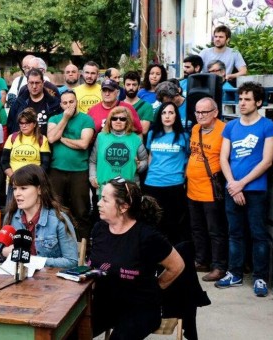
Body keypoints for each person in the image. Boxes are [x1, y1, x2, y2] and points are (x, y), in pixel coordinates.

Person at [89, 177, 185, 339]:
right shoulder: (99, 229)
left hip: (139, 308)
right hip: (104, 304)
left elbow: (177, 265)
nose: (99, 203)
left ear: (124, 207)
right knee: (68, 332)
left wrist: (155, 288)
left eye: (105, 200)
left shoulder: (147, 236)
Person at [216, 82, 273, 298]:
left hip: (255, 190)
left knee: (258, 234)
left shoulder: (267, 126)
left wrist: (241, 184)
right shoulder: (230, 127)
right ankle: (234, 273)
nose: (242, 103)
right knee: (235, 233)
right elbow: (223, 158)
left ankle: (260, 277)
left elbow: (267, 161)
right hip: (233, 189)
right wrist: (233, 185)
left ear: (258, 102)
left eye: (247, 99)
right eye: (240, 98)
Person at [2, 164, 79, 268]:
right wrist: (3, 252)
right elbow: (2, 256)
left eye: (23, 188)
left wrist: (32, 260)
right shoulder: (10, 217)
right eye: (15, 189)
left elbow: (71, 262)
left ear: (39, 189)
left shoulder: (58, 219)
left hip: (50, 282)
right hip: (17, 279)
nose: (17, 194)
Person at [186, 97, 228, 282]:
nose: (200, 116)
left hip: (211, 190)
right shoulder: (195, 129)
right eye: (197, 112)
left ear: (215, 112)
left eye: (204, 112)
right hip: (192, 189)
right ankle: (201, 260)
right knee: (197, 228)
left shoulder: (224, 130)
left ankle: (219, 266)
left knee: (215, 230)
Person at [47, 90, 95, 241]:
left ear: (77, 102)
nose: (69, 106)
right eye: (65, 103)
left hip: (79, 171)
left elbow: (83, 144)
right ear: (60, 104)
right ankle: (58, 244)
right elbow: (51, 138)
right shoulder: (55, 118)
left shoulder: (86, 120)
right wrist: (65, 119)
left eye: (71, 102)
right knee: (56, 209)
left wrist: (62, 139)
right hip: (57, 170)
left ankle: (83, 248)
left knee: (81, 211)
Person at [142, 102, 191, 245]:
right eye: (164, 113)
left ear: (176, 115)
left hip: (174, 184)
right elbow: (151, 156)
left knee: (172, 222)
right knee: (154, 222)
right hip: (152, 183)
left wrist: (184, 179)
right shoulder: (152, 134)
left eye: (171, 112)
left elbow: (188, 159)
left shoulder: (183, 136)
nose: (167, 116)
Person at [89, 106, 148, 192]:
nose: (118, 121)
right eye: (114, 118)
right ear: (110, 120)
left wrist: (140, 166)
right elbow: (93, 161)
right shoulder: (101, 137)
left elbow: (145, 161)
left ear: (127, 121)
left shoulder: (135, 139)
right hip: (104, 187)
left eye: (122, 119)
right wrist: (93, 177)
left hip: (128, 188)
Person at [1, 108, 51, 201]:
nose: (24, 126)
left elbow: (45, 164)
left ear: (34, 124)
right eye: (21, 124)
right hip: (14, 182)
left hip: (32, 183)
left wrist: (32, 179)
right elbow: (4, 161)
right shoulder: (12, 137)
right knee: (10, 212)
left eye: (27, 123)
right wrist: (14, 178)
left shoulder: (41, 139)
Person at [6, 68, 61, 135]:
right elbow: (10, 126)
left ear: (43, 83)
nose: (34, 86)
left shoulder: (54, 103)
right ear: (27, 83)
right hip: (23, 143)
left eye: (37, 83)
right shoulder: (18, 103)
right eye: (31, 83)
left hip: (46, 143)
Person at [122, 71, 154, 137]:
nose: (131, 88)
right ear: (124, 86)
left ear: (139, 87)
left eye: (134, 84)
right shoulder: (118, 105)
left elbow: (144, 130)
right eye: (128, 84)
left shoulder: (147, 106)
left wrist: (122, 124)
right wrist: (138, 123)